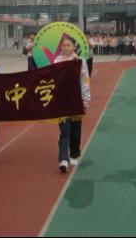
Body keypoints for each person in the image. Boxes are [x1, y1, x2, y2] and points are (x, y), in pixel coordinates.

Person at [54, 36, 91, 173]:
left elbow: (85, 80)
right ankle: (63, 159)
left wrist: (85, 99)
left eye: (68, 45)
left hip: (76, 100)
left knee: (75, 131)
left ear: (74, 47)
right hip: (62, 101)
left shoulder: (80, 61)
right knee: (65, 130)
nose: (65, 48)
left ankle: (74, 154)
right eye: (63, 45)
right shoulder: (56, 61)